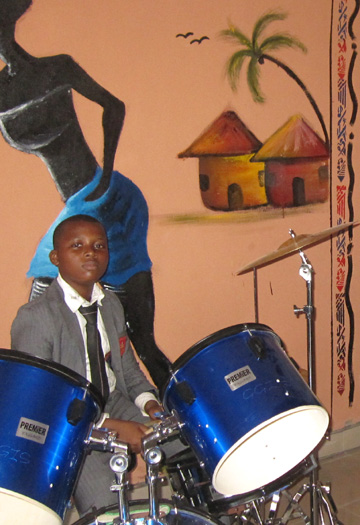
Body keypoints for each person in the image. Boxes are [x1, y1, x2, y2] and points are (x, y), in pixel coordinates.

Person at [0, 0, 171, 389]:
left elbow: (114, 106)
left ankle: (187, 420)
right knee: (43, 322)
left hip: (109, 199)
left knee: (142, 342)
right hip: (79, 206)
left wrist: (107, 172)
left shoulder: (56, 68)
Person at [11, 215, 164, 516]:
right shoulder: (36, 317)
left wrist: (150, 404)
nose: (90, 253)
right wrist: (110, 427)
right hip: (68, 425)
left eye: (98, 246)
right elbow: (40, 404)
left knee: (186, 444)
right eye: (77, 246)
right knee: (107, 508)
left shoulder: (111, 304)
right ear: (56, 257)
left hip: (113, 401)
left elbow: (128, 370)